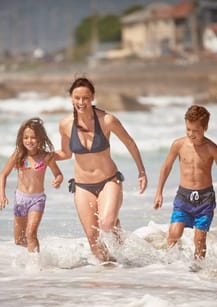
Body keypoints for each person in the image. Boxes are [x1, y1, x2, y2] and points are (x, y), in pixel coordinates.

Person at [55, 77, 148, 262]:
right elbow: (65, 153)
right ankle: (109, 270)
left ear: (92, 97)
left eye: (85, 98)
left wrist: (142, 171)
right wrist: (44, 155)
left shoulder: (107, 120)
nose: (81, 102)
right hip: (82, 186)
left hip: (109, 181)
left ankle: (116, 233)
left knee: (105, 225)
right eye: (77, 98)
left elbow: (129, 143)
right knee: (93, 239)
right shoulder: (65, 125)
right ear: (71, 98)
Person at [153, 105, 217, 260]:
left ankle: (198, 271)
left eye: (195, 130)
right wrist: (159, 193)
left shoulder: (211, 148)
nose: (191, 134)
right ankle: (169, 265)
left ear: (205, 128)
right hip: (183, 197)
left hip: (205, 199)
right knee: (174, 234)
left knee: (199, 239)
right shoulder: (179, 145)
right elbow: (166, 167)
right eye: (188, 129)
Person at [0, 117, 63, 253]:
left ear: (40, 139)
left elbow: (58, 173)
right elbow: (3, 175)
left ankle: (35, 266)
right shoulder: (18, 155)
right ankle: (33, 253)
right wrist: (1, 195)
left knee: (31, 233)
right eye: (26, 137)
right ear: (21, 138)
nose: (29, 141)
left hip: (37, 199)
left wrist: (58, 180)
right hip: (20, 199)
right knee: (19, 240)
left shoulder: (46, 157)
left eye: (33, 137)